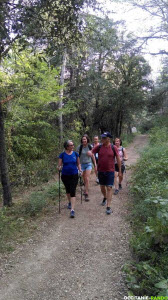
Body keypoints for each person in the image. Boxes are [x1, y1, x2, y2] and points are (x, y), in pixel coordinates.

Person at [92, 132, 121, 215]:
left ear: (108, 139)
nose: (102, 139)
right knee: (102, 187)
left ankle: (108, 207)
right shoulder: (99, 147)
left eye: (104, 138)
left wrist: (119, 170)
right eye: (102, 138)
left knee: (109, 188)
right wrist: (89, 153)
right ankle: (105, 197)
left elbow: (118, 159)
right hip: (101, 170)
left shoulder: (113, 147)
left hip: (110, 171)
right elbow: (92, 152)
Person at [58, 140, 82, 218]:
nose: (73, 146)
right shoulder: (62, 155)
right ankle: (69, 202)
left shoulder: (75, 154)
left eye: (73, 145)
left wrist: (80, 170)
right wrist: (59, 168)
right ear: (67, 147)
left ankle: (72, 210)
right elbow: (59, 165)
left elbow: (78, 163)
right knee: (68, 190)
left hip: (74, 175)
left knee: (72, 191)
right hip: (65, 175)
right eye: (71, 145)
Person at [77, 134, 97, 201]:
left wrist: (95, 164)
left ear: (87, 140)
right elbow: (77, 157)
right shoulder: (79, 147)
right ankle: (86, 188)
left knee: (87, 178)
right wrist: (76, 164)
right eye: (83, 139)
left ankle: (86, 193)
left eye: (85, 139)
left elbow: (93, 156)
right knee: (84, 178)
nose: (84, 140)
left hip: (88, 164)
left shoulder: (90, 146)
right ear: (81, 140)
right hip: (81, 165)